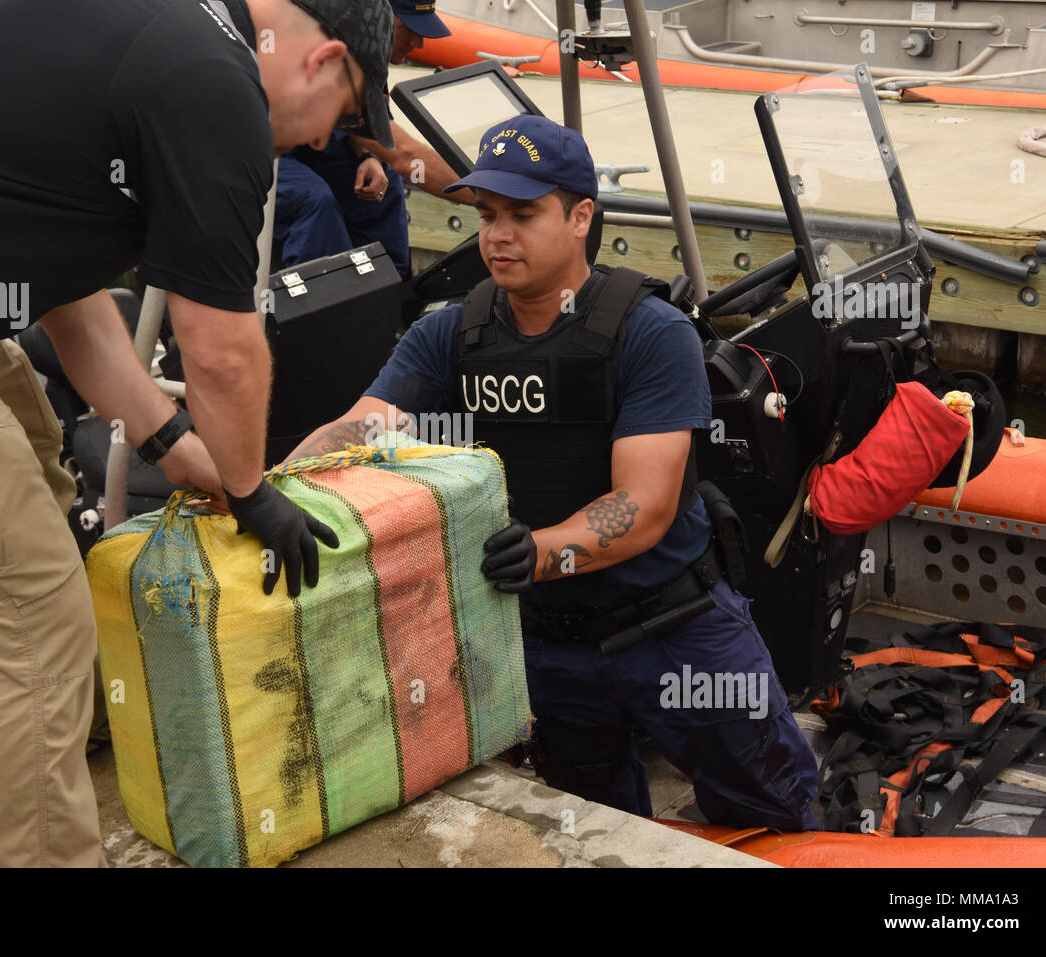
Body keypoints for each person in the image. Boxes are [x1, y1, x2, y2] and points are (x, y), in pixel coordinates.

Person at [0, 0, 396, 866]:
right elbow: (221, 353)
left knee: (46, 487)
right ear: (325, 61)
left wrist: (177, 449)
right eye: (348, 118)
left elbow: (71, 299)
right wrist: (253, 489)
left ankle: (81, 738)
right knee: (26, 630)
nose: (324, 144)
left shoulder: (160, 33)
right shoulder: (217, 86)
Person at [285, 115, 820, 830]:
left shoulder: (651, 333)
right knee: (589, 833)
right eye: (486, 215)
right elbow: (365, 426)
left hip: (673, 629)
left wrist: (539, 551)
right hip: (546, 644)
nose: (498, 234)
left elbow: (645, 502)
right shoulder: (450, 333)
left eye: (523, 214)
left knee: (778, 809)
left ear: (579, 217)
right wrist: (271, 486)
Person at [274, 0, 472, 276]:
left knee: (382, 179)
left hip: (298, 133)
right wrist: (491, 195)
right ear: (381, 16)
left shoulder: (368, 42)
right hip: (248, 138)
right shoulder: (335, 41)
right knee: (312, 200)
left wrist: (368, 155)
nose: (419, 43)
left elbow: (363, 124)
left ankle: (386, 293)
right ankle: (321, 305)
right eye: (409, 29)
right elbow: (406, 156)